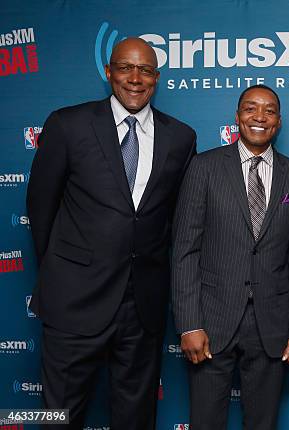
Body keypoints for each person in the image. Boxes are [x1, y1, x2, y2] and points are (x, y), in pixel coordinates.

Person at [26, 37, 196, 429]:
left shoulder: (180, 137)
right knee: (58, 416)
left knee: (136, 418)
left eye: (146, 70)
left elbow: (174, 220)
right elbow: (41, 207)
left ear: (157, 77)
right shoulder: (68, 124)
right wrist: (60, 274)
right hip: (73, 301)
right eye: (125, 67)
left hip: (142, 307)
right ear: (108, 72)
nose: (135, 79)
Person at [172, 85, 289, 430]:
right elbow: (184, 251)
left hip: (272, 325)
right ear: (237, 118)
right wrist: (190, 322)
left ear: (279, 121)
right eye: (251, 109)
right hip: (211, 320)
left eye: (269, 111)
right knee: (205, 422)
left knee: (263, 424)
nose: (259, 117)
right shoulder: (203, 168)